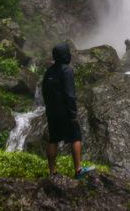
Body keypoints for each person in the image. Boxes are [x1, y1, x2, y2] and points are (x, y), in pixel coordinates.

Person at [41, 43, 92, 179]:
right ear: (65, 55)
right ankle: (78, 170)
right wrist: (73, 113)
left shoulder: (49, 71)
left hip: (52, 112)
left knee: (53, 139)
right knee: (75, 137)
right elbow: (70, 94)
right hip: (65, 112)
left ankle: (52, 171)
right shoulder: (66, 70)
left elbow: (44, 92)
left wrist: (49, 109)